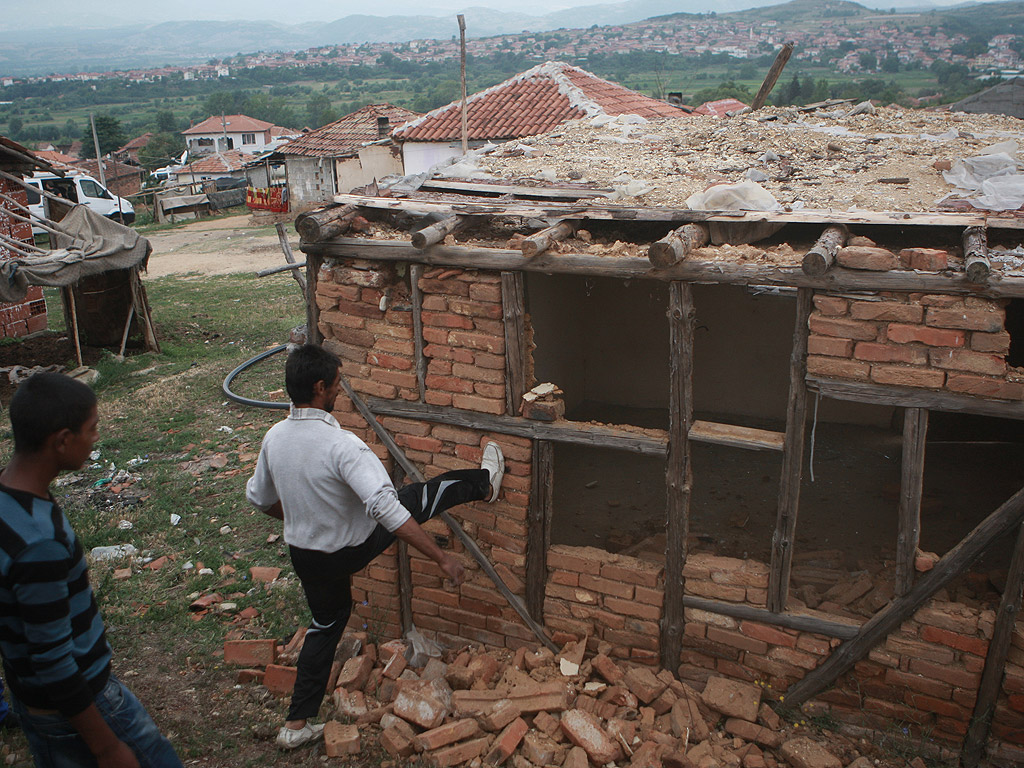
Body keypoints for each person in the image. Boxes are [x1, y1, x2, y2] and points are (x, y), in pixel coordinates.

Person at [246, 344, 504, 750]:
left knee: (326, 624)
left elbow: (258, 498)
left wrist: (303, 518)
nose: (339, 391)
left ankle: (295, 726)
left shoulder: (275, 438)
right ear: (318, 388)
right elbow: (386, 509)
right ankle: (485, 483)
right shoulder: (342, 446)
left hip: (305, 555)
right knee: (417, 499)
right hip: (351, 547)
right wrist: (441, 558)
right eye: (336, 384)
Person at [0, 373, 183, 768]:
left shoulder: (8, 498)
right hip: (80, 704)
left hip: (31, 699)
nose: (97, 437)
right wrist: (107, 747)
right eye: (92, 429)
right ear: (63, 440)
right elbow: (53, 661)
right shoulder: (39, 543)